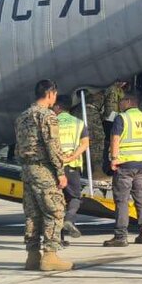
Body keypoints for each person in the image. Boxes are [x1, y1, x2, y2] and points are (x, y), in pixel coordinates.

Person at [14, 79, 72, 272]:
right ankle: (50, 256)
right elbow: (52, 146)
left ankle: (32, 256)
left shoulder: (22, 116)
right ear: (50, 94)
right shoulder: (47, 116)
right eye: (55, 95)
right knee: (55, 210)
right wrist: (60, 172)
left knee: (32, 213)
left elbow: (18, 148)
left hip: (27, 169)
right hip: (43, 169)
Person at [102, 92, 142, 247]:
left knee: (122, 200)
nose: (119, 103)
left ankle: (120, 236)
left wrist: (114, 158)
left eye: (121, 101)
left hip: (125, 165)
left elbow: (115, 138)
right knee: (140, 197)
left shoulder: (122, 118)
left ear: (128, 102)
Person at [53, 96, 89, 243]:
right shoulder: (79, 123)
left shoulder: (52, 122)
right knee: (74, 198)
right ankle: (69, 218)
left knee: (57, 202)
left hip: (55, 166)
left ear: (58, 107)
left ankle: (59, 238)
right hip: (72, 166)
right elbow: (85, 143)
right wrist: (73, 156)